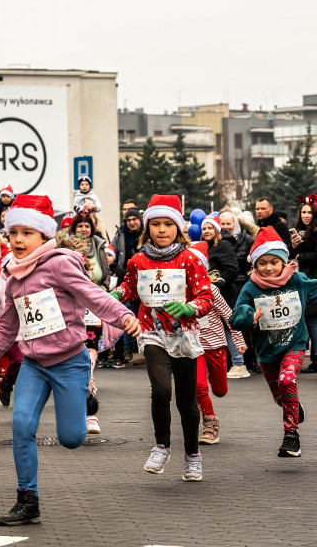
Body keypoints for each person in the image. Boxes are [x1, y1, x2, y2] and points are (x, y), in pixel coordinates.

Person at [0, 195, 139, 524]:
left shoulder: (60, 264)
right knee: (21, 426)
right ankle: (27, 500)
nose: (17, 239)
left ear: (45, 236)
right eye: (13, 232)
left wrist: (123, 316)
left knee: (71, 438)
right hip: (34, 365)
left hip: (70, 362)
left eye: (26, 233)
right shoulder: (13, 277)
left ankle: (83, 397)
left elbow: (94, 295)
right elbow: (6, 327)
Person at [110, 194, 214, 482]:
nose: (162, 230)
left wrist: (190, 307)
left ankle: (192, 455)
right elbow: (130, 287)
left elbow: (206, 296)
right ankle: (161, 446)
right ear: (148, 228)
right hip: (152, 333)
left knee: (187, 403)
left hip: (184, 336)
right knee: (161, 390)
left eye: (168, 224)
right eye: (155, 224)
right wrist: (115, 294)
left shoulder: (190, 259)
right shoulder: (138, 260)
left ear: (178, 227)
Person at [232, 227, 317, 457]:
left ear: (284, 262)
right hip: (266, 350)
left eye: (274, 262)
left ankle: (291, 436)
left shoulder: (297, 280)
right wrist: (249, 316)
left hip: (294, 344)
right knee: (280, 396)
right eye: (262, 263)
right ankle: (293, 405)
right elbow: (236, 317)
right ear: (254, 265)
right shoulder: (250, 287)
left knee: (286, 381)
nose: (268, 267)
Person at [187, 241, 246, 445]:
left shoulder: (211, 289)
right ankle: (210, 425)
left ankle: (211, 382)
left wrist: (238, 341)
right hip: (193, 347)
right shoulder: (181, 291)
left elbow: (229, 316)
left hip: (216, 345)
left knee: (220, 391)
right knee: (199, 385)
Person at [291, 201, 317, 372]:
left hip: (316, 281)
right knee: (308, 318)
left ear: (316, 215)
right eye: (303, 212)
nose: (306, 215)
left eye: (309, 212)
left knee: (312, 318)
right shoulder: (299, 231)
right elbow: (291, 254)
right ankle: (316, 356)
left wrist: (300, 255)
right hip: (302, 280)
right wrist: (293, 247)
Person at [219, 210, 255, 377]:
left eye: (229, 223)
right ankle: (234, 362)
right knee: (229, 324)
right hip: (227, 288)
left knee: (245, 324)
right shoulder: (217, 241)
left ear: (235, 224)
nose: (226, 227)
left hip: (242, 285)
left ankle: (249, 360)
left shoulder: (246, 238)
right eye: (223, 224)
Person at [201, 215, 239, 305]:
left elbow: (232, 270)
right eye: (204, 229)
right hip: (211, 294)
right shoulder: (205, 246)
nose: (206, 231)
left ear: (216, 230)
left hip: (225, 295)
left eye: (210, 228)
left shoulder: (224, 245)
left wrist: (213, 283)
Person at [71, 213, 112, 288]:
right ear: (74, 229)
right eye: (80, 226)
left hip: (99, 291)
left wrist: (104, 287)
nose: (83, 230)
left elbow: (107, 272)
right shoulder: (69, 247)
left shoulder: (99, 244)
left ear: (91, 229)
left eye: (87, 226)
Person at [113, 208, 143, 280]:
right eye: (128, 220)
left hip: (144, 274)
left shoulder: (147, 235)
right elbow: (113, 254)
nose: (132, 223)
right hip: (124, 275)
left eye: (134, 219)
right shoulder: (120, 236)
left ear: (140, 220)